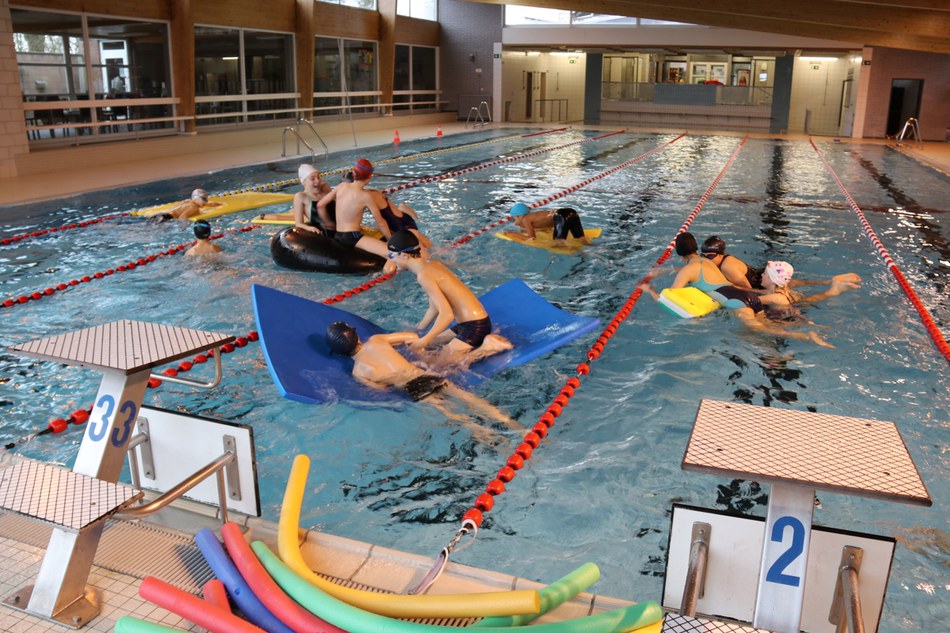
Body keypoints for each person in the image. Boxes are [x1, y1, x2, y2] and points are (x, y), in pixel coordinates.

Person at [325, 321, 519, 439]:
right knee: (470, 400)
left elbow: (382, 390)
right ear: (357, 336)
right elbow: (411, 336)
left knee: (458, 418)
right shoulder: (376, 340)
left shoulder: (358, 372)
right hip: (424, 375)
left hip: (413, 390)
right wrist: (416, 351)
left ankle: (493, 439)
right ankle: (512, 425)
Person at [639, 232, 834, 347]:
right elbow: (698, 272)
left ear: (679, 254)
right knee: (766, 324)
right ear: (696, 249)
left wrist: (649, 290)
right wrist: (670, 269)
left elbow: (671, 300)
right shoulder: (705, 262)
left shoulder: (687, 270)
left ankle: (804, 336)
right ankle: (813, 327)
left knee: (758, 329)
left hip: (733, 301)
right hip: (743, 295)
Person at [386, 230, 512, 366]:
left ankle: (488, 347)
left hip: (475, 327)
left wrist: (423, 341)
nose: (390, 260)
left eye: (391, 255)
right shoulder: (431, 264)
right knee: (430, 346)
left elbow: (447, 315)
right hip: (468, 324)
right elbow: (434, 307)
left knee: (437, 365)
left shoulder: (423, 275)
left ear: (404, 255)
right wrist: (418, 330)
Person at [700, 235, 861, 291]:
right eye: (703, 255)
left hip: (761, 283)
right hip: (763, 275)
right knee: (798, 283)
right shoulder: (721, 261)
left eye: (710, 256)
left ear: (721, 254)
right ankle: (830, 281)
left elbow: (747, 289)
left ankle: (834, 284)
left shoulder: (728, 267)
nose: (706, 259)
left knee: (793, 296)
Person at [315, 158, 391, 261]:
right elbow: (381, 222)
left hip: (338, 235)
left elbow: (320, 205)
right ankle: (380, 275)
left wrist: (327, 222)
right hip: (352, 237)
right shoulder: (365, 196)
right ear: (369, 177)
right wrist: (391, 241)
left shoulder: (342, 186)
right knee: (392, 254)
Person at [757, 260, 861, 321]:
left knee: (802, 303)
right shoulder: (781, 289)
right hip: (792, 305)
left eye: (765, 274)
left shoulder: (776, 297)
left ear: (773, 279)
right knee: (802, 301)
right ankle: (830, 282)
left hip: (790, 319)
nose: (762, 275)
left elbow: (751, 299)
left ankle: (833, 291)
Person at [509, 202, 591, 245]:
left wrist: (513, 234)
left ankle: (576, 251)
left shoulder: (525, 219)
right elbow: (547, 227)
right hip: (570, 213)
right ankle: (598, 250)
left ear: (520, 216)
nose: (515, 222)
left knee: (558, 245)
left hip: (561, 215)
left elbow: (532, 238)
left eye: (514, 218)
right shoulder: (534, 218)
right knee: (584, 242)